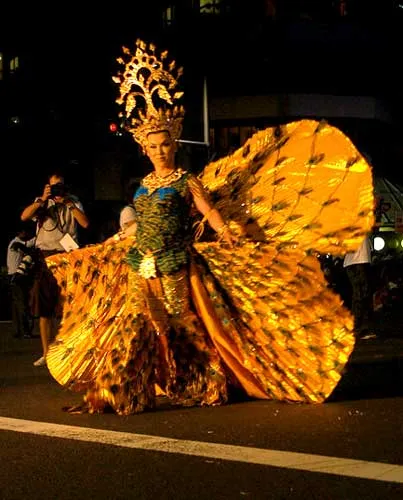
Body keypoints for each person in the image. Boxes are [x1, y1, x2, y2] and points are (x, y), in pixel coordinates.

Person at [45, 40, 374, 415]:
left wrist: (228, 231)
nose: (159, 150)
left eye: (164, 144)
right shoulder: (143, 185)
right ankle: (121, 391)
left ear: (173, 144)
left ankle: (199, 381)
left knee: (179, 322)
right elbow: (143, 223)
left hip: (174, 262)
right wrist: (118, 237)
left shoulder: (186, 181)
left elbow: (209, 211)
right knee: (134, 323)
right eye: (153, 146)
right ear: (144, 148)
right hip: (139, 262)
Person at [20, 171, 89, 366]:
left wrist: (68, 203)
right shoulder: (43, 203)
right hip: (46, 257)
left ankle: (69, 350)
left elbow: (85, 223)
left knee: (70, 306)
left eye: (60, 185)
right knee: (44, 308)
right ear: (48, 186)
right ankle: (46, 352)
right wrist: (43, 199)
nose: (57, 190)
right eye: (54, 186)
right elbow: (24, 216)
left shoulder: (73, 201)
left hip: (68, 257)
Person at [343, 236, 376, 340]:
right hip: (357, 261)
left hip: (359, 260)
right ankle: (358, 328)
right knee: (361, 295)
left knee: (362, 295)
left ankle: (360, 327)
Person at [6, 226, 36, 339]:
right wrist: (39, 237)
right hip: (16, 276)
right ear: (20, 232)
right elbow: (28, 246)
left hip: (13, 275)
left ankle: (17, 330)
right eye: (24, 232)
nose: (26, 234)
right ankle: (25, 331)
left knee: (16, 304)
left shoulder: (15, 243)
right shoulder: (16, 244)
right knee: (22, 303)